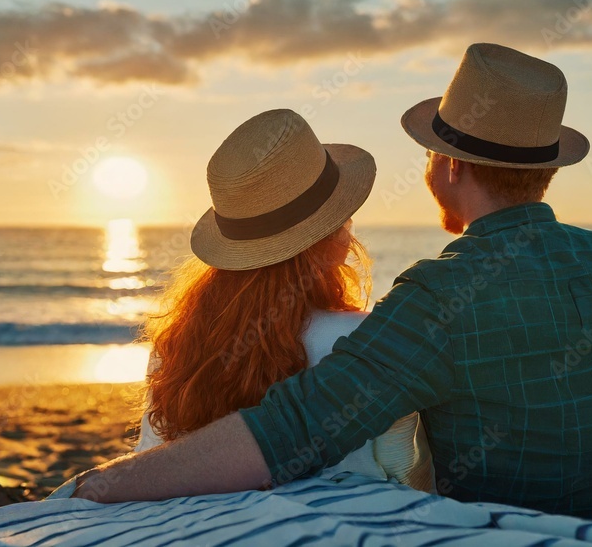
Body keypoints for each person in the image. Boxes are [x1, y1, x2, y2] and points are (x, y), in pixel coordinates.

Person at [74, 44, 592, 534]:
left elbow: (289, 432)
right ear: (544, 169)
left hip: (510, 524)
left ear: (450, 166)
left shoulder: (435, 296)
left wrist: (104, 481)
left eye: (430, 152)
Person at [131, 108, 433, 491]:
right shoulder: (364, 340)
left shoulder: (175, 344)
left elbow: (149, 461)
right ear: (332, 240)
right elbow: (403, 470)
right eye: (344, 218)